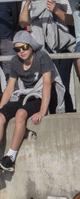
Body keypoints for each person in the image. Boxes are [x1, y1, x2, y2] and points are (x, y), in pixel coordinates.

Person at [18, 0, 75, 112]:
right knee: (46, 86)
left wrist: (56, 10)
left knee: (62, 84)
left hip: (61, 46)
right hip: (40, 50)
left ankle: (67, 115)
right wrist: (26, 7)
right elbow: (23, 23)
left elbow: (71, 20)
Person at [0, 31, 55, 172]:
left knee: (20, 113)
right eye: (17, 49)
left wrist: (43, 111)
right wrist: (1, 108)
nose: (21, 52)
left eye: (24, 47)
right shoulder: (14, 61)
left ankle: (10, 157)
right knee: (0, 117)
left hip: (39, 95)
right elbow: (10, 88)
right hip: (23, 95)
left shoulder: (42, 56)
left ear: (30, 45)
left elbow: (47, 84)